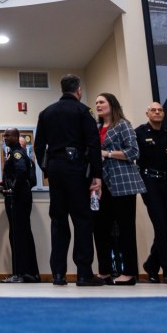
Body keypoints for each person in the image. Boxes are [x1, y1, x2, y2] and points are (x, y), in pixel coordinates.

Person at [33, 74, 103, 286]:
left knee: (58, 220)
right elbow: (93, 144)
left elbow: (38, 146)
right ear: (78, 90)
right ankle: (83, 273)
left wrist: (46, 168)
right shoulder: (83, 111)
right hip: (76, 168)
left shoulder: (46, 113)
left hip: (55, 168)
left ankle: (58, 274)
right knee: (82, 219)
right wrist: (96, 175)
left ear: (62, 89)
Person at [92, 93, 145, 285]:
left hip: (123, 183)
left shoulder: (123, 125)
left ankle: (129, 273)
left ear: (111, 104)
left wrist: (107, 153)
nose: (98, 105)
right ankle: (104, 272)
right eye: (96, 103)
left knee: (125, 229)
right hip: (101, 184)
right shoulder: (96, 128)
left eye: (102, 102)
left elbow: (133, 151)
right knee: (100, 229)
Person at [135, 102, 167, 283]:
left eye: (160, 110)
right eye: (153, 110)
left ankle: (151, 264)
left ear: (164, 114)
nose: (157, 112)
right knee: (160, 225)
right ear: (147, 113)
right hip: (149, 183)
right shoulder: (139, 133)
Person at [0, 128, 39, 283]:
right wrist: (4, 183)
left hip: (18, 198)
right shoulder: (16, 154)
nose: (5, 138)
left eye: (8, 136)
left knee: (18, 235)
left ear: (16, 137)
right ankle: (28, 273)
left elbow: (21, 172)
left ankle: (21, 273)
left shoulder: (17, 153)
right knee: (21, 233)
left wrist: (12, 189)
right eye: (4, 136)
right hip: (21, 197)